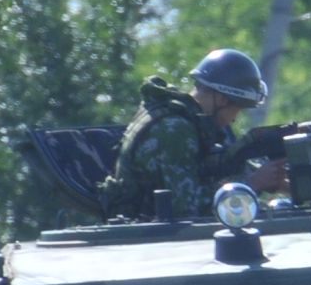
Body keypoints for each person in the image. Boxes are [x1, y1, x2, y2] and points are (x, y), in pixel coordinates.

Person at [100, 48, 288, 219]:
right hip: (144, 235)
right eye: (237, 109)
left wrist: (278, 182)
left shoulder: (190, 121)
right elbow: (185, 208)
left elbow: (212, 165)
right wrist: (251, 184)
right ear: (222, 99)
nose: (234, 119)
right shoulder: (175, 130)